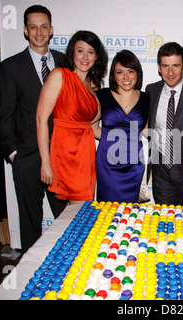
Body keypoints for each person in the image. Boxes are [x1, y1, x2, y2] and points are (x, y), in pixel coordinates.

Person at [0, 5, 67, 252]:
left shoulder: (65, 62)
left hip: (60, 156)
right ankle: (30, 277)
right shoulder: (11, 67)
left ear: (52, 30)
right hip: (27, 156)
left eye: (44, 26)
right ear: (25, 31)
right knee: (29, 224)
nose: (39, 32)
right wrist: (14, 155)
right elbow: (4, 114)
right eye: (33, 27)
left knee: (66, 221)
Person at [37, 30, 107, 204]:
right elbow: (40, 119)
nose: (85, 57)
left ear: (96, 57)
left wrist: (124, 137)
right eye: (80, 50)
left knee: (81, 210)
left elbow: (93, 128)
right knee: (78, 207)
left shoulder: (92, 87)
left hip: (86, 153)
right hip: (65, 151)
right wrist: (46, 163)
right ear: (72, 52)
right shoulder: (59, 75)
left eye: (90, 52)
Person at [145, 42, 183, 206]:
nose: (170, 72)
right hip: (161, 168)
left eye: (176, 66)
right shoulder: (152, 90)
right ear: (159, 67)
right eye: (165, 66)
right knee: (164, 219)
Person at [95, 50, 149, 203]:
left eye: (130, 71)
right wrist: (112, 138)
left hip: (134, 166)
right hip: (108, 165)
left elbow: (146, 129)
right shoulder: (103, 95)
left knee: (129, 215)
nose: (126, 77)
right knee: (107, 215)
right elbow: (91, 126)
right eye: (120, 72)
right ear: (114, 75)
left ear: (137, 73)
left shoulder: (145, 98)